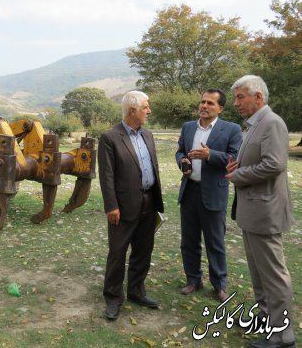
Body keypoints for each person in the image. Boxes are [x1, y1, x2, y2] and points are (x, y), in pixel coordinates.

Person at [226, 75, 295, 348]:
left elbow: (274, 164)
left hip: (265, 213)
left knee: (274, 276)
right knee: (259, 274)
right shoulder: (253, 125)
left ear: (258, 97)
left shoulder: (272, 123)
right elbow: (258, 160)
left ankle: (283, 335)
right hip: (252, 213)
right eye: (235, 98)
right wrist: (238, 168)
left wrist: (240, 175)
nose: (236, 103)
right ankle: (269, 323)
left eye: (241, 97)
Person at [98, 90, 164, 320]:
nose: (149, 110)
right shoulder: (110, 137)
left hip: (149, 200)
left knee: (143, 250)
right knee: (118, 252)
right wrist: (111, 206)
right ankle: (113, 298)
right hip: (122, 206)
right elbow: (106, 176)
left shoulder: (148, 135)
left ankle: (137, 291)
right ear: (133, 110)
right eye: (146, 106)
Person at [176, 89, 242, 302]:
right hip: (190, 191)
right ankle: (193, 279)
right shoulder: (188, 127)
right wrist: (182, 162)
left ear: (220, 108)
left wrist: (210, 155)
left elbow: (235, 158)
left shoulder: (231, 129)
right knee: (189, 240)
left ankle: (219, 285)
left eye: (210, 103)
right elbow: (180, 151)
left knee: (215, 242)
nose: (204, 106)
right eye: (202, 102)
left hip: (213, 192)